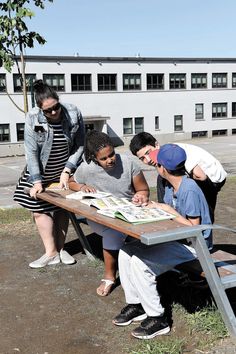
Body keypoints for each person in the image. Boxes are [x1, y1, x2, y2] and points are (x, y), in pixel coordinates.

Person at [113, 143, 212, 339]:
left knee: (140, 263)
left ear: (163, 168)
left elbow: (195, 230)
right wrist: (149, 206)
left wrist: (169, 212)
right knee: (126, 251)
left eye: (156, 164)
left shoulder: (189, 189)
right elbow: (169, 213)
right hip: (177, 240)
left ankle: (158, 318)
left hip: (195, 247)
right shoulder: (170, 186)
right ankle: (137, 304)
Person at [68, 130, 149, 296]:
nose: (110, 160)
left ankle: (135, 269)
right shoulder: (86, 168)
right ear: (94, 159)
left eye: (111, 154)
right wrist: (82, 187)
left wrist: (141, 195)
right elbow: (71, 183)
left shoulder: (128, 163)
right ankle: (110, 276)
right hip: (99, 216)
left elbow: (143, 189)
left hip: (127, 212)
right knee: (113, 231)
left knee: (119, 230)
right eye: (103, 159)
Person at [13, 80, 84, 268]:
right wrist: (36, 181)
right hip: (41, 171)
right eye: (48, 111)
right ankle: (50, 252)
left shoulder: (74, 112)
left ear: (59, 102)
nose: (54, 112)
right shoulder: (32, 118)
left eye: (56, 107)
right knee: (38, 208)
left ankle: (61, 249)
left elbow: (80, 144)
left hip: (63, 171)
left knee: (62, 209)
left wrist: (67, 170)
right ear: (40, 109)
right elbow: (31, 151)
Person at [129, 132, 227, 222]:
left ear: (157, 144)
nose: (148, 159)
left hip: (211, 177)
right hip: (194, 176)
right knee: (163, 180)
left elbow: (199, 175)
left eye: (148, 153)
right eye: (142, 158)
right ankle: (168, 214)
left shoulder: (175, 153)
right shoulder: (162, 158)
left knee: (202, 207)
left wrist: (204, 195)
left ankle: (202, 232)